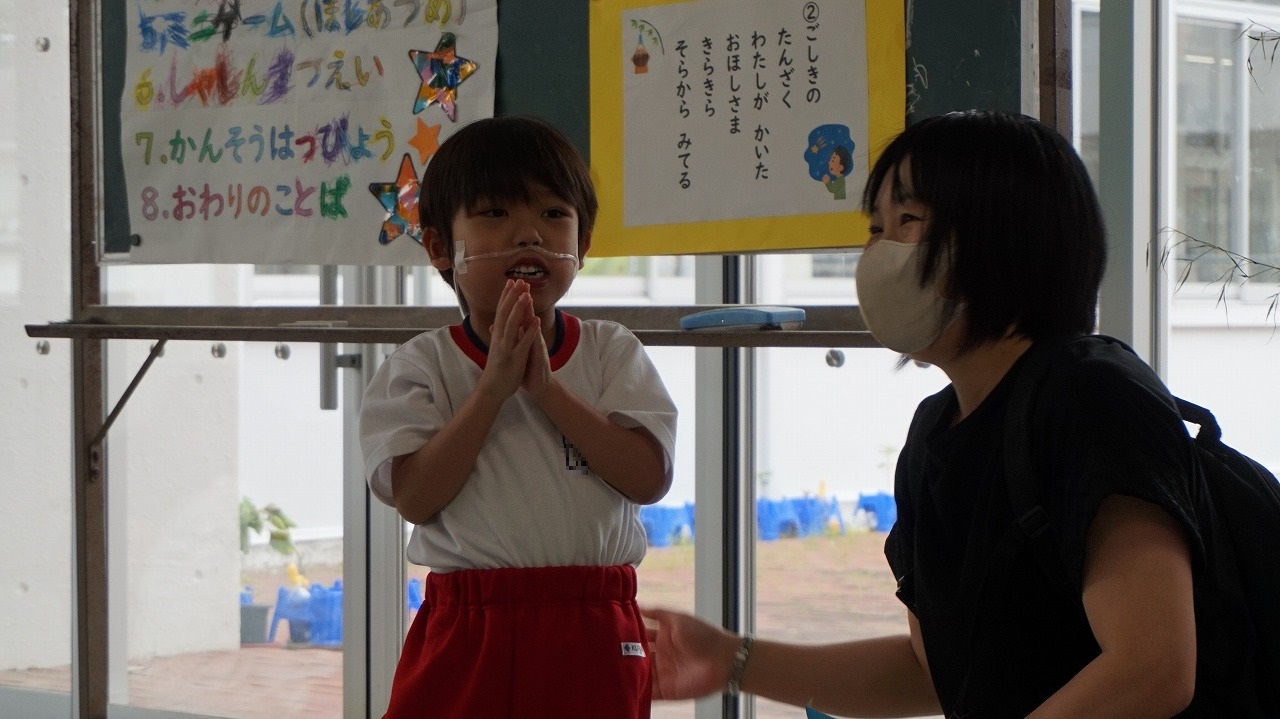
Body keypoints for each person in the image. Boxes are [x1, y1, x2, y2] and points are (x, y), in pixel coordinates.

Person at [643, 110, 1270, 717]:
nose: (880, 253)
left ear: (1003, 237)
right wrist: (733, 660)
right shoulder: (934, 434)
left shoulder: (1093, 396)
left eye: (908, 220)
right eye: (876, 228)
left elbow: (1151, 669)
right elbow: (934, 675)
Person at [360, 115, 678, 718]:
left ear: (581, 247)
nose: (529, 233)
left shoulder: (611, 350)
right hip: (468, 621)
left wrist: (547, 390)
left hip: (593, 620)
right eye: (494, 214)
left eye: (554, 214)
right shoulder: (419, 366)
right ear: (438, 249)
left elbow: (647, 478)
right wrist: (492, 391)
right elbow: (416, 498)